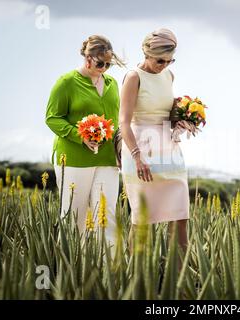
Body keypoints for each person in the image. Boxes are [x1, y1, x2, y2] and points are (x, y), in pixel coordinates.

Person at [45, 35, 125, 245]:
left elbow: (115, 120)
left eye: (108, 64)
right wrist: (80, 136)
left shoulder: (112, 83)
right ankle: (72, 271)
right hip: (73, 159)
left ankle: (110, 272)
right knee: (74, 216)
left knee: (106, 215)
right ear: (87, 58)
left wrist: (120, 150)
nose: (104, 68)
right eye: (100, 63)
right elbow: (52, 118)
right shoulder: (66, 82)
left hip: (107, 160)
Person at [119, 28, 189, 250]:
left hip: (169, 151)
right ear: (147, 53)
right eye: (161, 60)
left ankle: (179, 280)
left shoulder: (169, 75)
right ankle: (135, 279)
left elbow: (166, 112)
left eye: (170, 60)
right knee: (142, 220)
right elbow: (123, 122)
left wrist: (181, 121)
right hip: (141, 153)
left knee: (180, 217)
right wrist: (137, 157)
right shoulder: (133, 77)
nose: (165, 65)